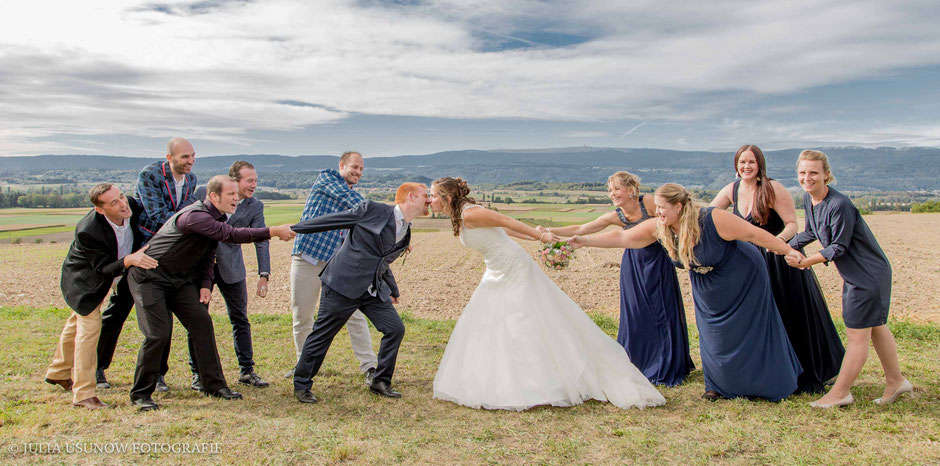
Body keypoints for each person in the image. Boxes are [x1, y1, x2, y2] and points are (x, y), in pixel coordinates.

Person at [429, 177, 666, 411]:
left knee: (522, 317)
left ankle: (538, 381)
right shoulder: (461, 215)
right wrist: (536, 235)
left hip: (512, 267)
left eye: (433, 195)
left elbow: (506, 221)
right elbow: (502, 230)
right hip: (496, 269)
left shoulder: (470, 213)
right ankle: (504, 377)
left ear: (446, 198)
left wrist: (540, 235)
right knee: (493, 319)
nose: (430, 200)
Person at [569, 183, 804, 402]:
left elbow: (754, 235)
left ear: (678, 207)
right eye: (657, 208)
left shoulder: (712, 218)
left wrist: (787, 251)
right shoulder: (660, 227)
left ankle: (764, 383)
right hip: (706, 283)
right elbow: (623, 237)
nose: (656, 212)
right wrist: (585, 240)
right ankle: (719, 386)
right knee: (713, 332)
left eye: (662, 208)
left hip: (742, 275)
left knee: (748, 329)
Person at [126, 175, 296, 411]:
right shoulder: (195, 216)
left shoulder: (214, 217)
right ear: (214, 196)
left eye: (237, 194)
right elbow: (231, 235)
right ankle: (141, 394)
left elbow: (207, 253)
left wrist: (205, 284)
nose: (237, 199)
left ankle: (213, 385)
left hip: (178, 279)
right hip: (149, 277)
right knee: (158, 334)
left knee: (202, 324)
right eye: (231, 194)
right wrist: (273, 231)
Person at [711, 145, 844, 394]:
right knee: (755, 317)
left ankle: (798, 372)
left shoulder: (773, 188)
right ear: (736, 166)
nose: (746, 167)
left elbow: (793, 225)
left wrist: (777, 244)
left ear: (760, 164)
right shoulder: (732, 189)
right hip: (748, 263)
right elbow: (709, 214)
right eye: (742, 163)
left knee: (786, 313)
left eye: (751, 162)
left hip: (778, 260)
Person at [539, 171, 692, 387]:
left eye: (617, 189)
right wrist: (548, 230)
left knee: (663, 309)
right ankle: (638, 362)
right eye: (610, 190)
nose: (613, 194)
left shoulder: (648, 202)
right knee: (636, 312)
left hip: (659, 262)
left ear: (631, 190)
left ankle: (668, 363)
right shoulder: (616, 215)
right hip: (634, 265)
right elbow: (582, 228)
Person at [787, 150, 912, 408]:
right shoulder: (810, 200)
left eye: (813, 173)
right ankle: (896, 381)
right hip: (858, 275)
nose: (807, 178)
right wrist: (782, 242)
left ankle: (840, 393)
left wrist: (805, 262)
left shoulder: (839, 205)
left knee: (857, 335)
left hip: (867, 276)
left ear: (826, 175)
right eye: (802, 172)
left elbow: (838, 247)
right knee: (875, 326)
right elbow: (811, 231)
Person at [290, 183, 428, 403]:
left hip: (372, 289)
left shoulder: (406, 229)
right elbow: (335, 220)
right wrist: (297, 228)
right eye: (425, 196)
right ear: (411, 197)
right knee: (323, 334)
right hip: (342, 284)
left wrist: (392, 288)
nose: (429, 200)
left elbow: (381, 259)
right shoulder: (372, 209)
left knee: (395, 329)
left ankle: (380, 380)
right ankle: (302, 384)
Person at [99, 137, 199, 392]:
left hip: (170, 256)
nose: (190, 161)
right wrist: (189, 225)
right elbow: (158, 216)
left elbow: (185, 212)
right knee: (118, 309)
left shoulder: (192, 180)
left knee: (161, 315)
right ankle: (97, 366)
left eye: (192, 156)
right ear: (170, 158)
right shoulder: (151, 175)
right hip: (142, 250)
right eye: (184, 157)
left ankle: (158, 374)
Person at [46, 183, 156, 409]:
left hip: (108, 276)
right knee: (89, 331)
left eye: (121, 197)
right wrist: (129, 260)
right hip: (83, 282)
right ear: (100, 210)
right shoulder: (89, 230)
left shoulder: (132, 206)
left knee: (75, 322)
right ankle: (84, 394)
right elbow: (103, 269)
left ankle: (57, 371)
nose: (123, 204)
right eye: (114, 202)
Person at [287, 151, 377, 382]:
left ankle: (370, 367)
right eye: (354, 167)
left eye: (361, 169)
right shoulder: (327, 180)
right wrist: (387, 215)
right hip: (308, 258)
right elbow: (359, 206)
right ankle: (303, 367)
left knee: (354, 314)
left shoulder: (353, 195)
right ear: (341, 165)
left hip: (335, 265)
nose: (357, 172)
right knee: (303, 317)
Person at [191, 161, 271, 390]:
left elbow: (261, 239)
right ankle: (197, 373)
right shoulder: (204, 195)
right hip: (200, 267)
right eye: (250, 180)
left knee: (240, 319)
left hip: (232, 267)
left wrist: (263, 274)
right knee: (198, 320)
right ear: (234, 181)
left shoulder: (255, 206)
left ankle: (247, 371)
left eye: (256, 180)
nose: (254, 185)